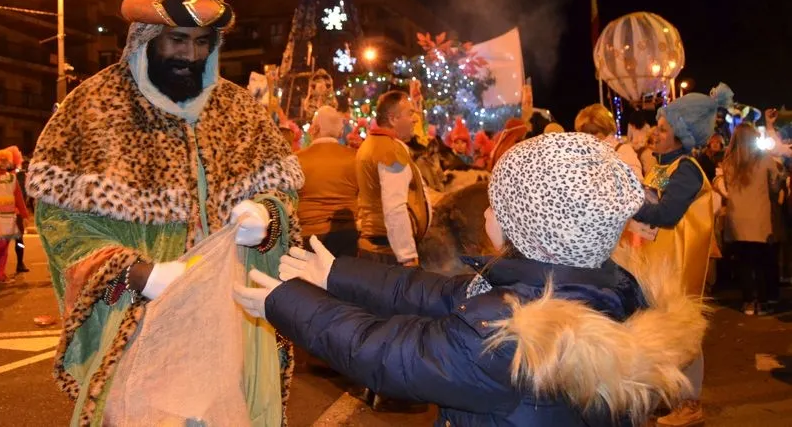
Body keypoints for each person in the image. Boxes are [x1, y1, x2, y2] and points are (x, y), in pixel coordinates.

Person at [234, 132, 708, 427]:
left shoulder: (512, 336)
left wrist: (288, 301)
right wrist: (336, 274)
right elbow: (436, 293)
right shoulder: (592, 287)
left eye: (497, 206)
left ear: (533, 228)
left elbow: (386, 353)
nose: (484, 212)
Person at [26, 0, 303, 427]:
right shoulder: (93, 108)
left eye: (202, 42)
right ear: (146, 36)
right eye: (177, 40)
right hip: (138, 324)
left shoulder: (241, 111)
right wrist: (136, 272)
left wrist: (268, 216)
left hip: (227, 326)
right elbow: (61, 224)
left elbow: (283, 196)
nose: (190, 55)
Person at [627, 83, 732, 427]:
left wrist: (626, 201)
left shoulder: (685, 168)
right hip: (658, 262)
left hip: (678, 265)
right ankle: (667, 396)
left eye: (662, 129)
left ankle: (689, 403)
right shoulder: (662, 165)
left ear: (682, 135)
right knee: (661, 329)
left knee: (683, 331)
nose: (654, 134)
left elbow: (666, 214)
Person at [354, 90, 430, 267]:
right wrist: (407, 256)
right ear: (393, 119)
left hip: (378, 247)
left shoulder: (371, 144)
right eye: (409, 113)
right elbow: (394, 207)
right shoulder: (389, 151)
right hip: (388, 252)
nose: (415, 119)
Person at [723, 123, 785, 315]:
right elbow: (774, 187)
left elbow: (727, 186)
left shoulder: (729, 162)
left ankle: (748, 301)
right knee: (761, 261)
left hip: (737, 219)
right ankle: (763, 302)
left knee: (744, 261)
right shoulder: (764, 159)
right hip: (758, 217)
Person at [296, 107, 359, 258]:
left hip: (309, 234)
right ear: (340, 132)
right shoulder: (354, 158)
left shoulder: (298, 159)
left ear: (314, 129)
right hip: (347, 234)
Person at [0, 148, 29, 284]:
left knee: (5, 246)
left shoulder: (12, 178)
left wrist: (25, 215)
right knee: (1, 244)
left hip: (9, 216)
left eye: (4, 161)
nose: (2, 163)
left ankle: (1, 274)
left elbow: (18, 197)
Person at [575, 103, 643, 181]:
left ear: (607, 131)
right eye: (584, 133)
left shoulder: (623, 150)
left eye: (594, 132)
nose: (589, 137)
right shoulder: (581, 154)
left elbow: (636, 181)